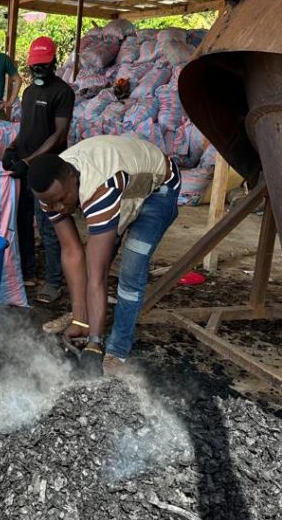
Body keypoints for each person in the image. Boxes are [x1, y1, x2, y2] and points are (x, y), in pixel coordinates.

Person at [27, 135, 180, 376]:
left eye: (61, 201)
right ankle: (83, 316)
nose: (58, 208)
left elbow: (96, 276)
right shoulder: (51, 191)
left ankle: (117, 349)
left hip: (158, 187)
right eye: (50, 204)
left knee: (130, 268)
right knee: (93, 258)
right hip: (125, 186)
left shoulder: (99, 186)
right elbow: (72, 252)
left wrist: (94, 344)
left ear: (72, 177)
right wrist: (80, 320)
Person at [2, 37, 75, 304]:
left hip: (47, 172)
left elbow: (58, 135)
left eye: (44, 66)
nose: (39, 71)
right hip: (25, 167)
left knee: (49, 226)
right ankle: (29, 272)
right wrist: (12, 149)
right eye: (35, 67)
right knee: (22, 222)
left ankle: (54, 282)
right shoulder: (29, 92)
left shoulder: (63, 92)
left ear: (54, 62)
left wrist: (30, 161)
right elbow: (26, 130)